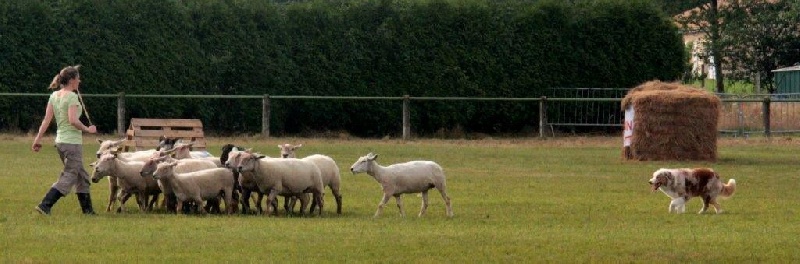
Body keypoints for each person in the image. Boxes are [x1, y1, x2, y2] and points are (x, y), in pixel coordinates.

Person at [31, 65, 98, 215]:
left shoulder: (54, 96)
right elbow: (73, 120)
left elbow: (46, 120)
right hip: (72, 143)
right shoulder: (72, 97)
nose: (80, 81)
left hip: (60, 142)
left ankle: (88, 211)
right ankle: (45, 205)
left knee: (82, 176)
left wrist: (37, 139)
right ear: (73, 80)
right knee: (70, 175)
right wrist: (88, 129)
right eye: (78, 78)